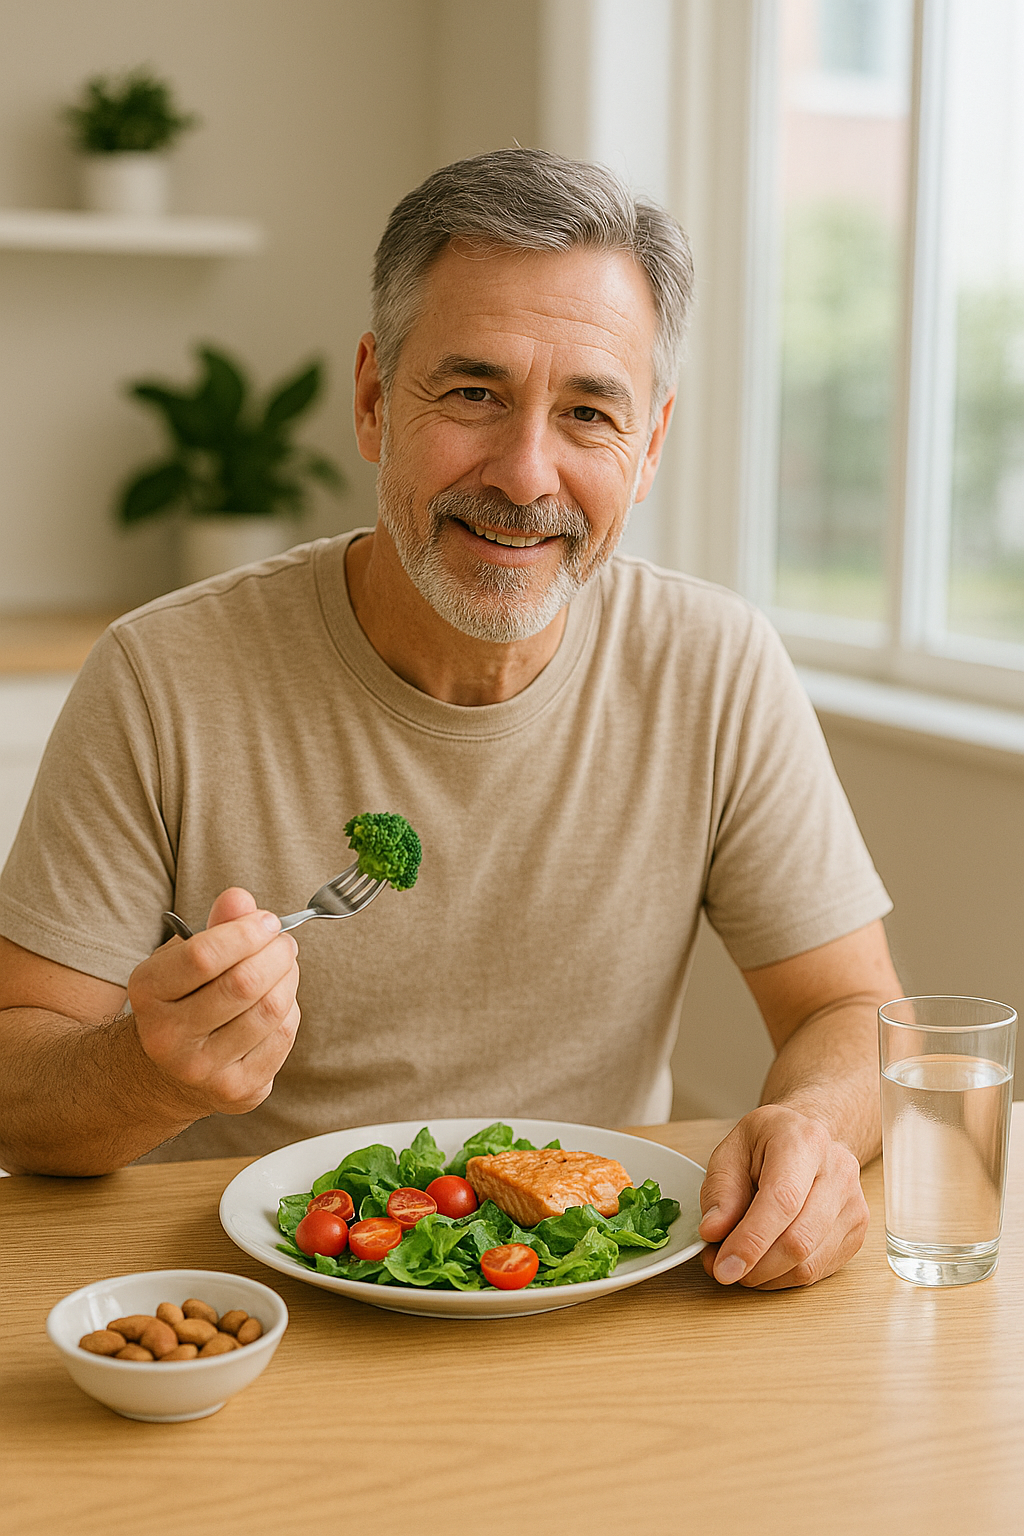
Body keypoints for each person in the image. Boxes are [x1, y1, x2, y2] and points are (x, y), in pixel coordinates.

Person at [0, 148, 900, 1290]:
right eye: (473, 393)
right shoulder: (159, 674)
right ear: (375, 397)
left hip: (586, 1296)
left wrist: (815, 1127)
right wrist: (151, 1071)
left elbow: (853, 1007)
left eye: (587, 412)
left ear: (652, 444)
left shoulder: (713, 666)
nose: (526, 473)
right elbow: (15, 1093)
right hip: (255, 1304)